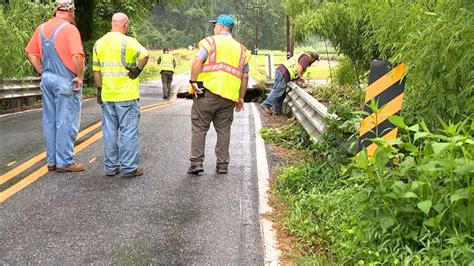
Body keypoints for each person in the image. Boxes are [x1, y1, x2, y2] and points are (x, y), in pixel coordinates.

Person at [25, 0, 85, 172]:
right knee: (66, 121)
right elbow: (77, 56)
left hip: (48, 79)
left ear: (56, 10)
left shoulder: (42, 28)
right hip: (66, 80)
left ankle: (52, 161)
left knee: (50, 120)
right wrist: (79, 77)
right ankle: (65, 161)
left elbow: (31, 52)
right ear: (71, 11)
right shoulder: (70, 29)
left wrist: (42, 71)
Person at [187, 14, 251, 175]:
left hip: (206, 93)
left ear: (222, 27)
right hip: (228, 97)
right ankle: (222, 165)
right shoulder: (241, 49)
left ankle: (196, 163)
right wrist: (241, 97)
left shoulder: (210, 42)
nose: (214, 28)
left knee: (199, 128)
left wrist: (193, 81)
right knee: (224, 131)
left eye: (215, 25)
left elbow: (197, 61)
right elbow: (245, 76)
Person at [92, 12, 149, 178]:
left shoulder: (99, 43)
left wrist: (99, 90)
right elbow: (145, 55)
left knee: (109, 132)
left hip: (108, 95)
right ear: (125, 25)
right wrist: (137, 70)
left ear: (112, 23)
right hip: (126, 94)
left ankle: (110, 168)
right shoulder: (128, 41)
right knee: (128, 131)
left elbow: (96, 70)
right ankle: (129, 168)